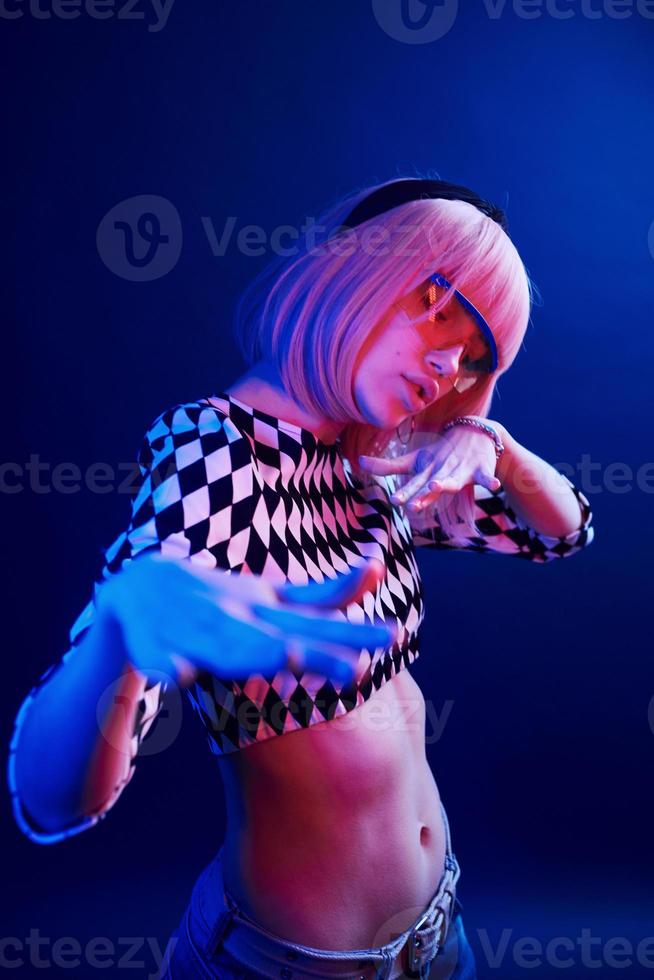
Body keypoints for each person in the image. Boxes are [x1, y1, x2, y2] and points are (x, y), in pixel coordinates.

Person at [8, 177, 595, 979]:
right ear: (354, 270)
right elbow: (54, 801)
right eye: (439, 302)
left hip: (438, 935)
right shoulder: (219, 453)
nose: (449, 360)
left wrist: (487, 441)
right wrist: (118, 629)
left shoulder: (369, 467)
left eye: (474, 355)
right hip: (292, 964)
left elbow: (560, 532)